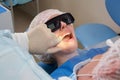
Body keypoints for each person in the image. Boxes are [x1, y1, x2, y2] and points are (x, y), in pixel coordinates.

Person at [28, 9, 109, 80]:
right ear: (44, 45)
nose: (64, 24)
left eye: (66, 19)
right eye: (52, 26)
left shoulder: (97, 52)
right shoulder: (56, 77)